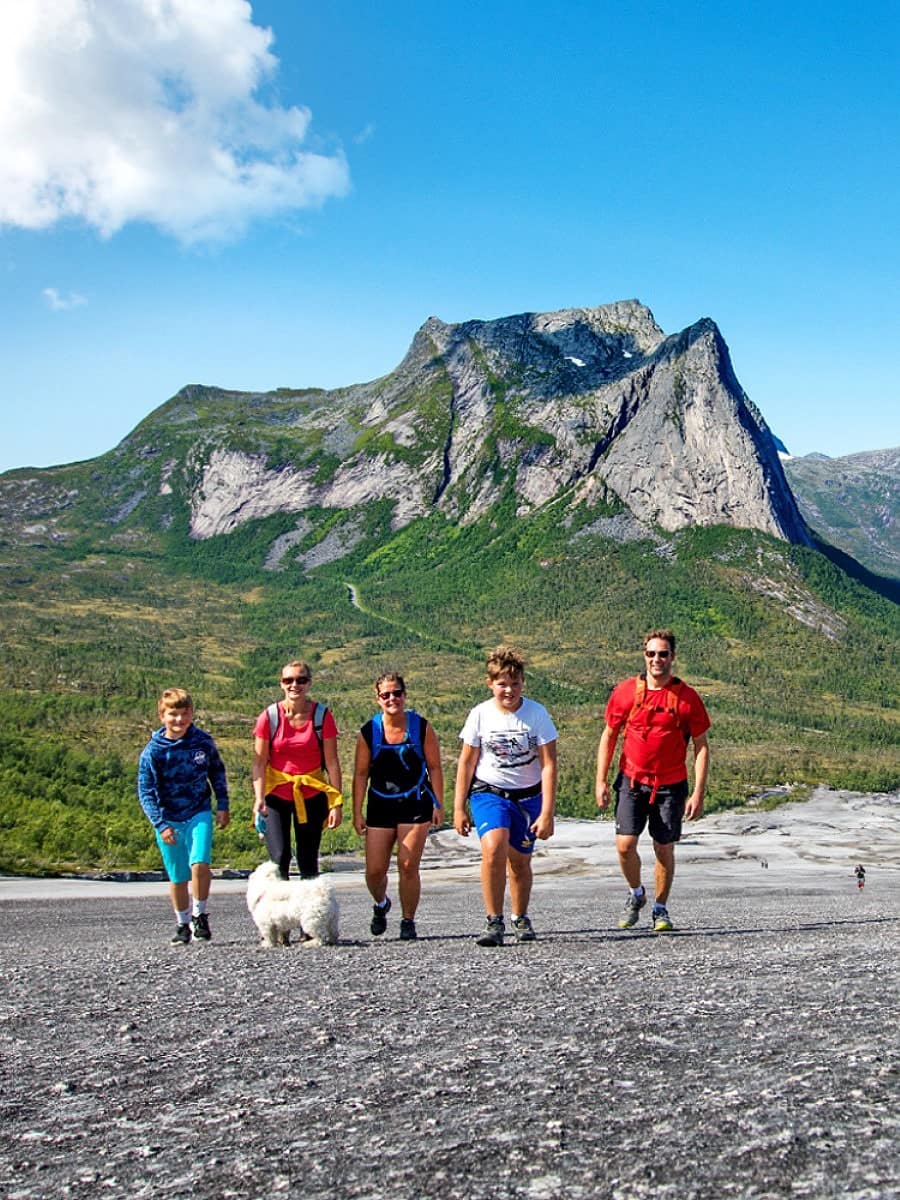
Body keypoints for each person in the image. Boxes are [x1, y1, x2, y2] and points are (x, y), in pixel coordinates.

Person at [595, 629, 710, 933]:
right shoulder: (624, 693)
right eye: (651, 653)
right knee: (624, 846)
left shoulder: (687, 698)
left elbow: (701, 746)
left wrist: (697, 792)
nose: (656, 659)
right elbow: (609, 735)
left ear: (673, 656)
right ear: (644, 655)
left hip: (671, 786)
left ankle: (660, 908)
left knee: (664, 847)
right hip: (632, 782)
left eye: (663, 654)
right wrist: (601, 780)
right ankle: (636, 894)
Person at [454, 645, 558, 947]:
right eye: (502, 684)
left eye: (514, 684)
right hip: (489, 792)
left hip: (527, 798)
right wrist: (459, 808)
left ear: (523, 683)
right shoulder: (480, 715)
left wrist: (547, 812)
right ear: (490, 684)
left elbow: (549, 764)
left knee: (520, 862)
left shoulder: (536, 714)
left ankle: (519, 916)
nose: (508, 690)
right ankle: (493, 920)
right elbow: (466, 762)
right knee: (493, 849)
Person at [352, 672, 444, 940]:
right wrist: (357, 811)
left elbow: (435, 767)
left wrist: (438, 804)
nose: (392, 699)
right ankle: (381, 904)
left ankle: (408, 921)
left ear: (404, 695)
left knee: (407, 866)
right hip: (380, 805)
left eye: (397, 693)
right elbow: (360, 774)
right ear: (378, 698)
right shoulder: (369, 732)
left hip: (415, 804)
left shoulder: (421, 727)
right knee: (374, 871)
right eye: (386, 695)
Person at [138, 687, 230, 944]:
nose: (179, 720)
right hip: (169, 819)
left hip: (198, 811)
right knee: (178, 876)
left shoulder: (202, 741)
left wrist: (222, 805)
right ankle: (182, 923)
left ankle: (200, 915)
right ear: (162, 716)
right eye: (173, 714)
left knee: (200, 864)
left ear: (191, 714)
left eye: (184, 714)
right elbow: (146, 791)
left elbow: (217, 772)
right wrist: (160, 823)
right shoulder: (153, 751)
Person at [252, 661, 343, 889]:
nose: (295, 685)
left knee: (308, 861)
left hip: (311, 794)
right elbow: (259, 762)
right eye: (289, 680)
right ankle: (280, 919)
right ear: (281, 684)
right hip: (276, 794)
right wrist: (259, 798)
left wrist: (336, 803)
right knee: (279, 858)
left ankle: (310, 921)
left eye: (301, 680)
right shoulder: (269, 717)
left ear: (309, 683)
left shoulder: (322, 717)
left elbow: (332, 762)